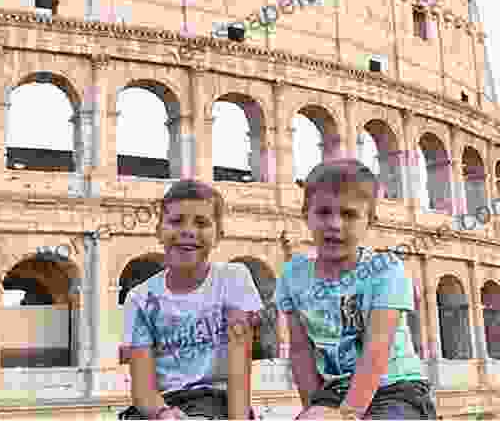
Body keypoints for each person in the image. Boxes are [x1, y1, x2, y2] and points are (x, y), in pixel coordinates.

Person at [273, 159, 437, 420]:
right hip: (335, 389)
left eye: (349, 214)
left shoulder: (385, 270)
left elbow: (377, 349)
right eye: (324, 212)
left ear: (369, 220)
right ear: (306, 215)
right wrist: (313, 408)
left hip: (396, 388)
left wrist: (347, 415)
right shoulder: (293, 275)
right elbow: (300, 350)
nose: (335, 224)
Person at [119, 180, 263, 420]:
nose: (187, 231)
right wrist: (163, 413)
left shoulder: (233, 278)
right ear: (158, 231)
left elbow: (239, 371)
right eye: (176, 221)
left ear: (219, 236)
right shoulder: (140, 298)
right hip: (164, 404)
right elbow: (143, 390)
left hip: (216, 399)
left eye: (201, 223)